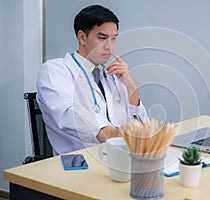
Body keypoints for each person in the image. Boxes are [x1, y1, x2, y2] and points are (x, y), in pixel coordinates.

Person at [37, 5, 147, 155]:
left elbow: (141, 126)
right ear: (82, 37)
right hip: (80, 163)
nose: (110, 47)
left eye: (113, 38)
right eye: (102, 38)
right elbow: (69, 113)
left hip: (121, 157)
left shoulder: (112, 75)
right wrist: (112, 135)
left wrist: (130, 85)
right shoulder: (55, 70)